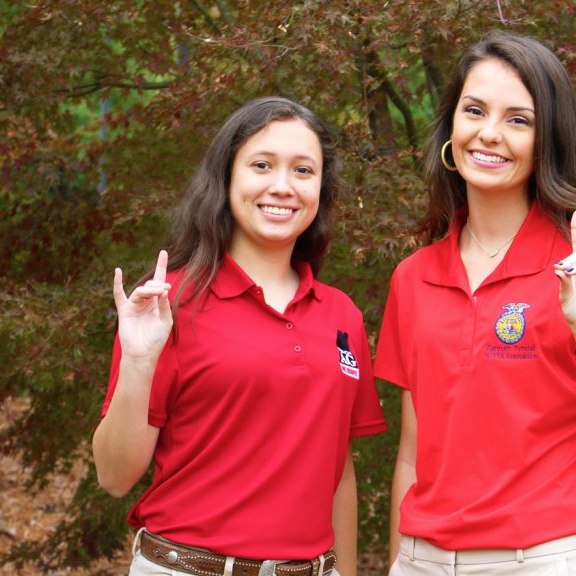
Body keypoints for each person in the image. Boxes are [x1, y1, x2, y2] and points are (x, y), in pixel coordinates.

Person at [375, 33, 576, 576]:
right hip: (422, 561)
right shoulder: (413, 278)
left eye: (518, 120)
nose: (489, 134)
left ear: (547, 139)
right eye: (475, 111)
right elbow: (414, 456)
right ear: (451, 127)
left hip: (547, 559)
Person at [93, 96, 386, 576]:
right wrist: (138, 363)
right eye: (262, 165)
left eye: (303, 171)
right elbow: (113, 476)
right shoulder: (170, 304)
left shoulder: (342, 316)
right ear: (227, 178)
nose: (282, 186)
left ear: (321, 190)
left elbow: (339, 475)